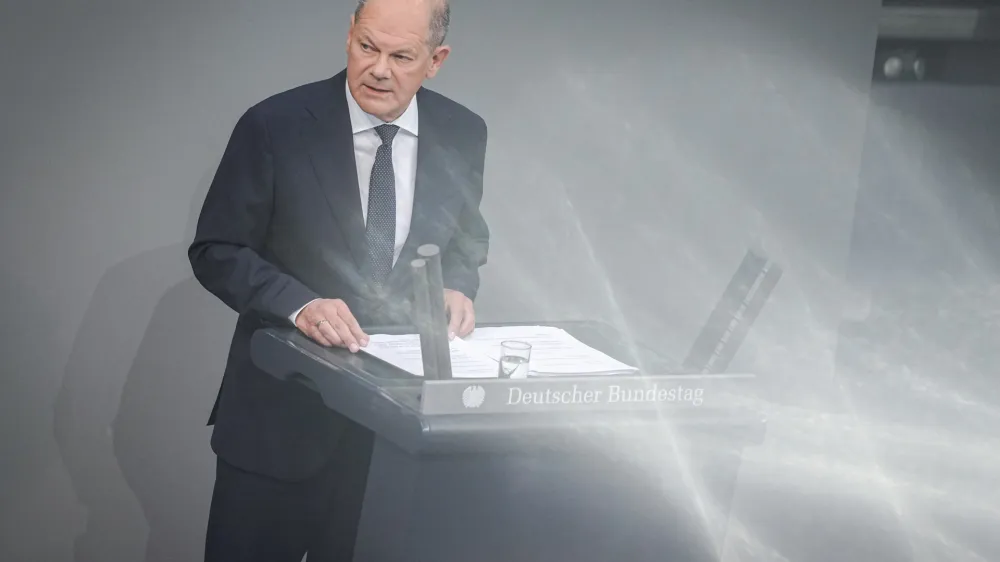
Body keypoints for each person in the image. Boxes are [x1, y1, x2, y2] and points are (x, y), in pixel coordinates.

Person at [187, 0, 489, 558]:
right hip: (278, 429)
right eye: (367, 47)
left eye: (402, 56)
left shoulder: (463, 133)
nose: (379, 69)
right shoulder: (273, 125)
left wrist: (456, 285)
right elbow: (216, 248)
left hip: (393, 444)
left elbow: (467, 237)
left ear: (436, 59)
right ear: (349, 33)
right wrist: (297, 305)